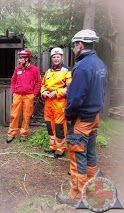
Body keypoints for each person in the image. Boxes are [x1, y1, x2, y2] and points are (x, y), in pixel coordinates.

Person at [56, 29, 107, 205]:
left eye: (75, 45)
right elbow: (102, 91)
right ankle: (91, 188)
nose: (74, 48)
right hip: (94, 117)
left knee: (78, 158)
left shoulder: (83, 67)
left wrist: (68, 115)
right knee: (91, 155)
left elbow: (76, 97)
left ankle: (77, 196)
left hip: (82, 120)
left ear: (81, 44)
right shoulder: (100, 64)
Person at [41, 47, 72, 158]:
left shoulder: (67, 71)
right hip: (48, 101)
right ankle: (52, 146)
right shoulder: (48, 71)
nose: (56, 59)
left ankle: (60, 147)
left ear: (61, 58)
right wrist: (43, 92)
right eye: (54, 57)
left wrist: (57, 92)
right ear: (51, 58)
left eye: (58, 57)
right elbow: (43, 85)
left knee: (59, 125)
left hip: (60, 102)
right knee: (50, 124)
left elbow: (70, 88)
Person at [7, 49, 42, 143]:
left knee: (26, 115)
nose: (19, 59)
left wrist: (34, 94)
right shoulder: (17, 69)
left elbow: (39, 82)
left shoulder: (34, 69)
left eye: (21, 58)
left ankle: (23, 134)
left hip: (28, 96)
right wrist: (13, 91)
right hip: (17, 95)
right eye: (20, 58)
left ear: (27, 59)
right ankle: (11, 133)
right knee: (14, 115)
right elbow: (13, 80)